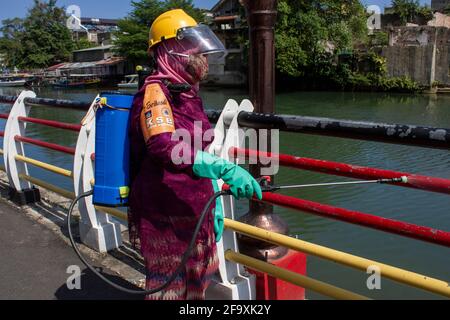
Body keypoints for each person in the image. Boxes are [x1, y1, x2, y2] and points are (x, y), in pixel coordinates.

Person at [128, 9, 262, 300]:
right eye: (194, 49)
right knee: (171, 289)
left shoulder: (187, 94)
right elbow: (163, 145)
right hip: (165, 213)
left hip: (196, 208)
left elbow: (196, 151)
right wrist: (224, 169)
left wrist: (211, 194)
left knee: (197, 286)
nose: (203, 56)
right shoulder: (155, 93)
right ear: (169, 51)